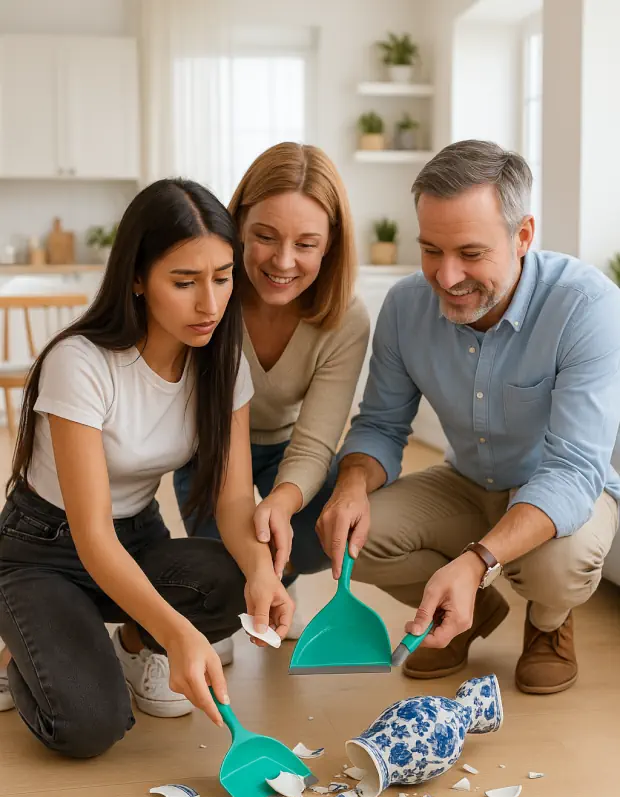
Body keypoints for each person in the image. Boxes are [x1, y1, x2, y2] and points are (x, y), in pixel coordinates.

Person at [0, 179, 293, 755]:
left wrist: (262, 570)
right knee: (87, 727)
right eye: (184, 283)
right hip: (44, 550)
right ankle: (22, 643)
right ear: (137, 279)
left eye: (222, 277)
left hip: (136, 537)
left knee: (233, 581)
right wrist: (180, 634)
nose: (209, 304)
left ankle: (130, 646)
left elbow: (235, 502)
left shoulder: (221, 362)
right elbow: (91, 535)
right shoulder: (80, 363)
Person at [317, 139, 620, 695]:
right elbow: (381, 424)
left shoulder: (587, 306)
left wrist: (478, 559)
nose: (446, 275)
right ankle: (465, 612)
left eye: (471, 253)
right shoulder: (406, 307)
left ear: (523, 235)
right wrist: (352, 485)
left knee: (563, 560)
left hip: (561, 489)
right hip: (466, 481)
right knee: (351, 534)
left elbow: (577, 470)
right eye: (430, 249)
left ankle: (548, 624)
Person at [174, 142, 370, 652]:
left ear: (331, 245)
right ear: (236, 224)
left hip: (289, 449)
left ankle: (281, 579)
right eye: (264, 237)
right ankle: (237, 593)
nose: (283, 262)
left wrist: (281, 502)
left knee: (317, 530)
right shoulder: (209, 291)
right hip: (209, 447)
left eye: (306, 244)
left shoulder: (346, 319)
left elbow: (314, 442)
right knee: (218, 569)